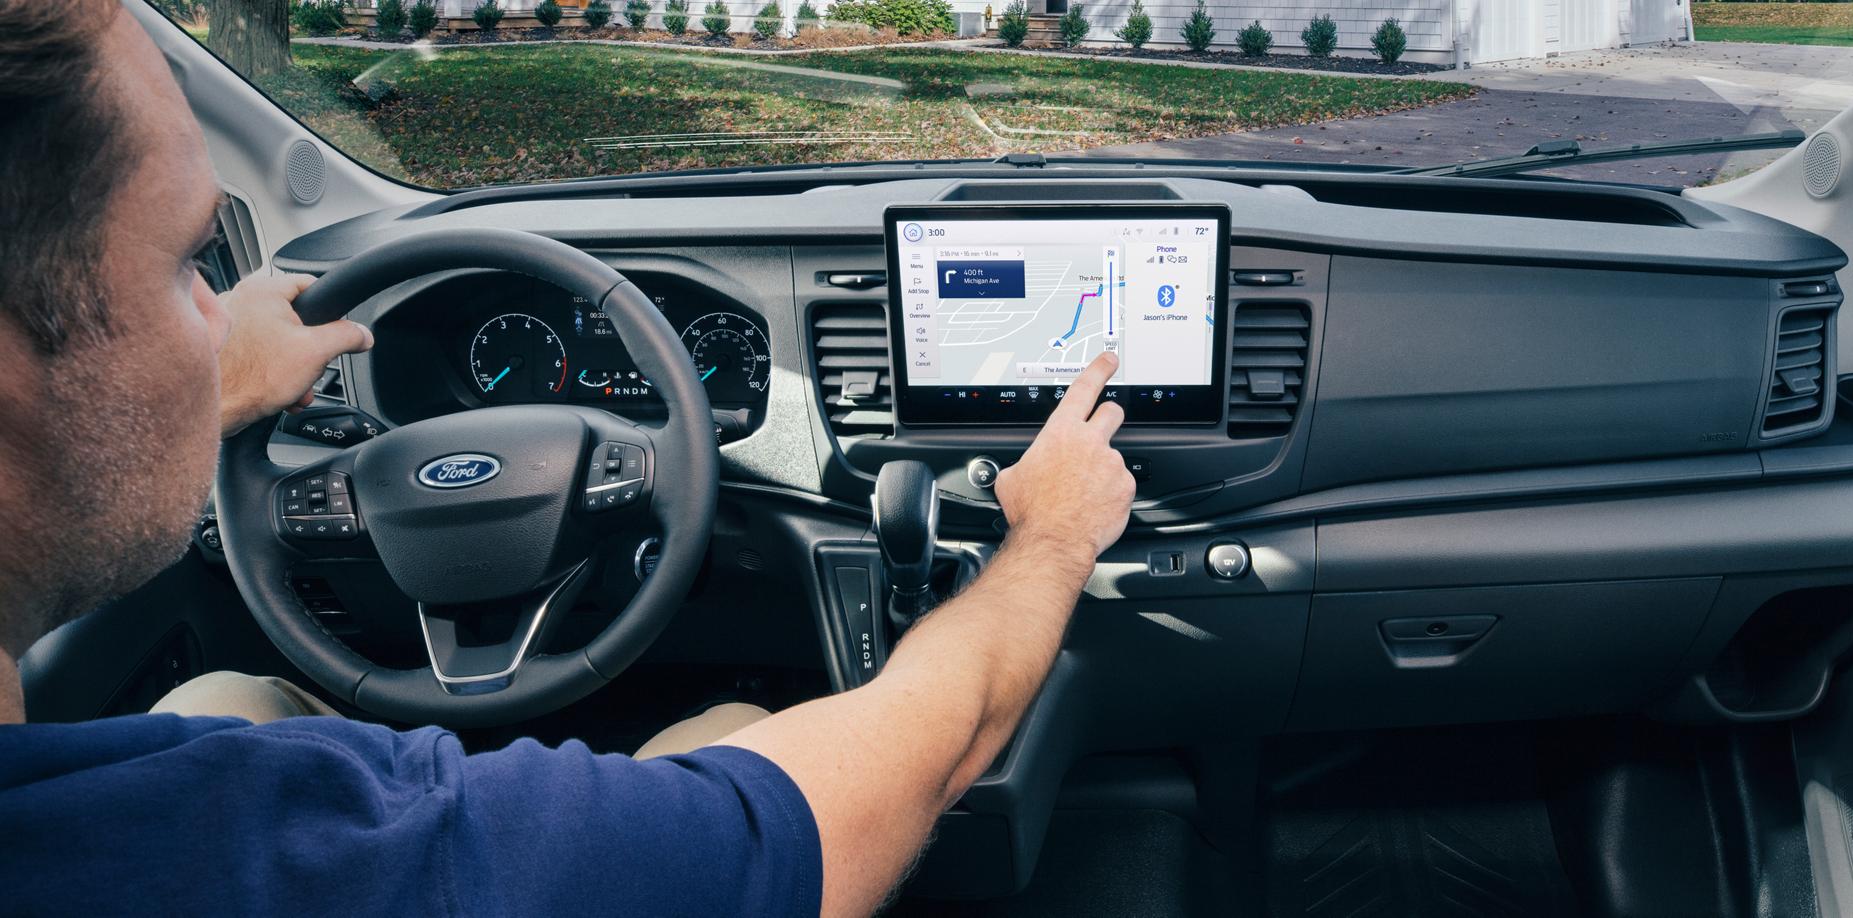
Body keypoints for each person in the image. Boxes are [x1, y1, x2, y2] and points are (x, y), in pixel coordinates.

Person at [0, 3, 1137, 916]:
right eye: (190, 267)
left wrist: (207, 393)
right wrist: (1050, 537)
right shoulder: (347, 860)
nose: (221, 317)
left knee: (226, 700)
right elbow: (870, 796)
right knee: (733, 728)